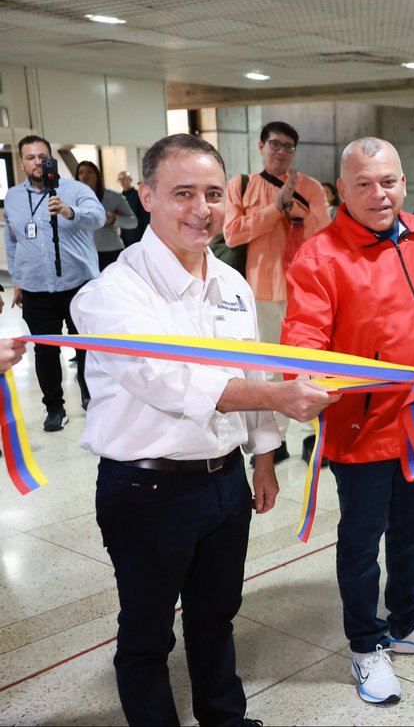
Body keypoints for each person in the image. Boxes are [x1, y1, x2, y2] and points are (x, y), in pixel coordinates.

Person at [70, 133, 335, 726]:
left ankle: (224, 717)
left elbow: (253, 369)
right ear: (146, 196)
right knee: (147, 631)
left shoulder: (232, 283)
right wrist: (280, 398)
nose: (201, 209)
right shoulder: (112, 295)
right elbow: (169, 383)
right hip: (147, 490)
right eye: (182, 193)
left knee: (216, 615)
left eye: (213, 193)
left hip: (224, 485)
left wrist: (264, 456)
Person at [282, 136, 414, 705]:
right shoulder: (320, 255)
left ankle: (409, 621)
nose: (378, 193)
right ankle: (366, 645)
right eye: (363, 184)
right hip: (361, 428)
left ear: (404, 181)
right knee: (362, 540)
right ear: (342, 190)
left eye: (388, 180)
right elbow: (305, 338)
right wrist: (308, 380)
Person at [224, 120, 331, 464]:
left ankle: (315, 435)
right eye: (275, 144)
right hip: (261, 290)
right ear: (260, 146)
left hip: (307, 291)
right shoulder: (241, 186)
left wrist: (294, 207)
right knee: (269, 367)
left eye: (288, 146)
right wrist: (275, 208)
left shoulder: (311, 188)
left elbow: (323, 234)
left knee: (311, 363)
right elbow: (232, 234)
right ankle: (275, 440)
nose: (281, 152)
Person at [3, 134, 105, 431]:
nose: (37, 163)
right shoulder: (13, 197)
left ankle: (91, 396)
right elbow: (13, 241)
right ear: (21, 162)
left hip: (79, 285)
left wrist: (70, 211)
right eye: (31, 157)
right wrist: (18, 279)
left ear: (52, 159)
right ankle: (55, 407)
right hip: (36, 289)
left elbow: (98, 217)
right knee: (45, 350)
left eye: (42, 157)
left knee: (87, 345)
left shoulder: (76, 189)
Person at [75, 161, 137, 270]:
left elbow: (133, 222)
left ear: (97, 176)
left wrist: (114, 219)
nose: (85, 176)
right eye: (81, 172)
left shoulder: (113, 196)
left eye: (89, 172)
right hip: (83, 253)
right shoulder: (72, 199)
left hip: (110, 251)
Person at [117, 171, 150, 245]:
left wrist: (146, 235)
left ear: (130, 179)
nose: (122, 181)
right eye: (120, 179)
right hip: (123, 236)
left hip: (137, 235)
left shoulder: (138, 195)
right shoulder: (119, 197)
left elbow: (145, 217)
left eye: (124, 178)